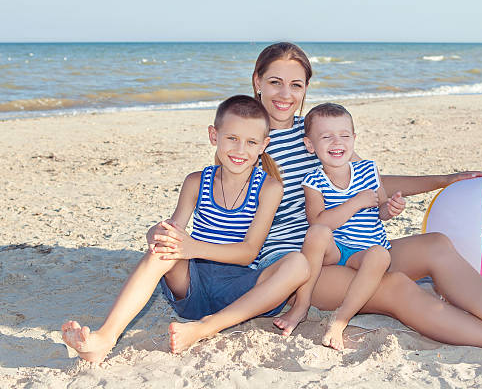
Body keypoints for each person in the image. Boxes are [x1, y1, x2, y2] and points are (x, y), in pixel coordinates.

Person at [155, 43, 482, 366]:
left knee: (436, 245)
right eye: (274, 82)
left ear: (307, 89)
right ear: (256, 83)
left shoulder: (314, 133)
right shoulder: (251, 141)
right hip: (301, 261)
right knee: (397, 289)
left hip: (353, 239)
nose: (284, 94)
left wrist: (444, 179)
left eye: (295, 84)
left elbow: (370, 180)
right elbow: (220, 200)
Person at [61, 95, 310, 364]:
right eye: (232, 138)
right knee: (163, 251)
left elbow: (249, 253)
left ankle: (205, 328)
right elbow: (174, 229)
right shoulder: (195, 182)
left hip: (242, 292)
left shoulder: (269, 188)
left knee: (298, 263)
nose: (240, 150)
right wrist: (156, 234)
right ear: (214, 135)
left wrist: (192, 247)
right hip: (194, 286)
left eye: (251, 142)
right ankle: (105, 338)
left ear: (264, 145)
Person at [285, 102, 403, 350]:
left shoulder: (368, 170)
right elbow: (317, 222)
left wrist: (390, 209)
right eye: (326, 137)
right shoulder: (313, 180)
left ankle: (340, 319)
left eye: (344, 135)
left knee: (381, 255)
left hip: (363, 252)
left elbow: (380, 210)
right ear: (310, 145)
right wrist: (356, 202)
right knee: (317, 233)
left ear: (354, 139)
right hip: (335, 249)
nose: (336, 142)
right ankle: (301, 305)